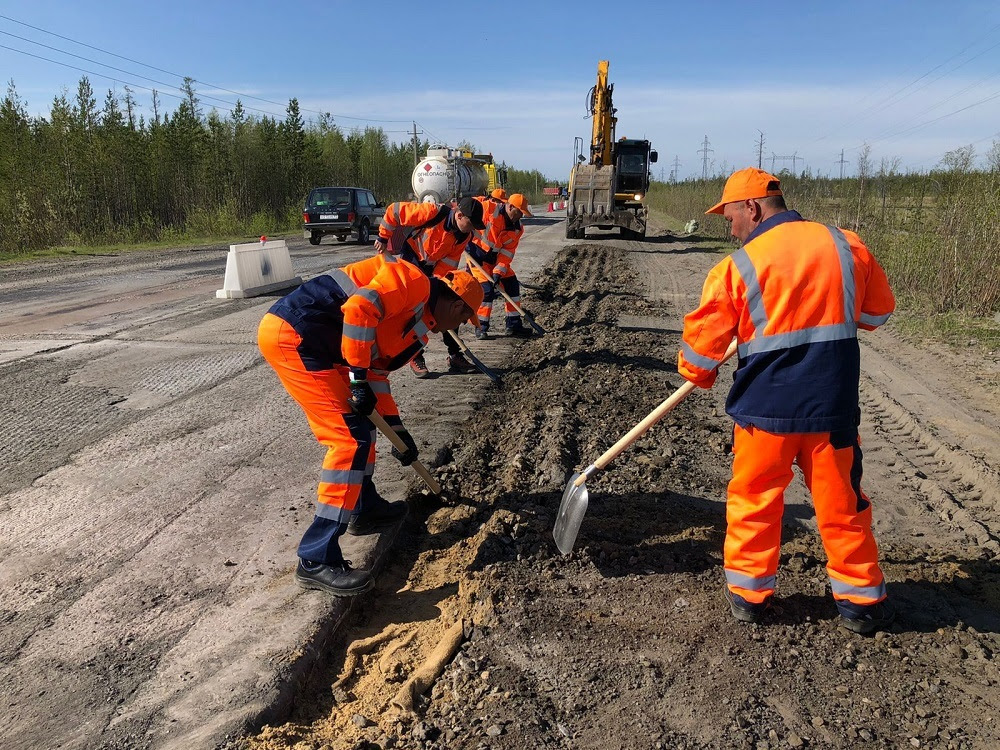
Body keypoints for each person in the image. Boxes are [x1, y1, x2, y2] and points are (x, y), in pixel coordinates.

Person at [677, 167, 896, 634]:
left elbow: (698, 359)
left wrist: (700, 368)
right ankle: (860, 603)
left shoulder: (737, 267)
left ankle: (749, 597)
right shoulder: (846, 245)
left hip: (764, 414)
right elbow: (876, 313)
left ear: (752, 207)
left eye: (731, 217)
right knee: (843, 506)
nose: (731, 229)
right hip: (831, 410)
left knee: (754, 501)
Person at [258, 254, 484, 596]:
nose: (461, 326)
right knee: (348, 440)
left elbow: (375, 372)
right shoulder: (413, 283)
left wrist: (398, 430)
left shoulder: (419, 329)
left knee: (365, 428)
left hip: (324, 348)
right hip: (296, 335)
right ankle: (315, 558)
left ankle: (364, 509)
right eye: (465, 318)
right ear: (456, 305)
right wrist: (357, 379)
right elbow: (358, 308)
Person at [375, 196, 486, 377]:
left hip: (433, 268)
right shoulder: (433, 213)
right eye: (471, 223)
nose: (472, 228)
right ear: (459, 215)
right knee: (414, 310)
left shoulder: (464, 236)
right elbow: (394, 210)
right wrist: (383, 237)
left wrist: (437, 285)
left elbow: (449, 263)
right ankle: (416, 356)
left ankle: (455, 355)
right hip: (411, 260)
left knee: (450, 304)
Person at [467, 193, 533, 339]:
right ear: (510, 207)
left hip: (495, 260)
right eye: (519, 212)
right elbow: (468, 206)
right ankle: (481, 327)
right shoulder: (489, 209)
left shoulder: (517, 229)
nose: (521, 216)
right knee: (486, 290)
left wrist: (498, 272)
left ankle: (513, 325)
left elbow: (507, 253)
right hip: (477, 257)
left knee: (512, 285)